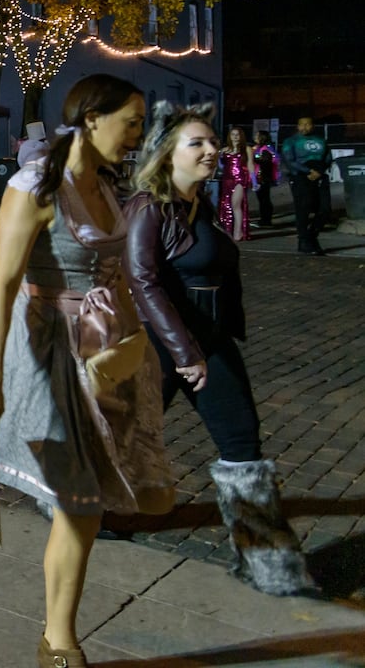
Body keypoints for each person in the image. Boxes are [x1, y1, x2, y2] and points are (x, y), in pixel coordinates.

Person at [0, 74, 173, 668]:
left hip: (104, 353)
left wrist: (136, 344)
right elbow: (2, 288)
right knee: (80, 502)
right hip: (45, 353)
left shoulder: (108, 186)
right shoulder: (34, 187)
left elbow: (121, 274)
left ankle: (58, 637)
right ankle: (60, 644)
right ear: (91, 119)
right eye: (130, 121)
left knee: (86, 501)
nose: (137, 134)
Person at [125, 103, 314, 596]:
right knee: (130, 438)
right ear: (167, 154)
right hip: (162, 344)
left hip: (210, 339)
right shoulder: (147, 206)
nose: (213, 150)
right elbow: (143, 282)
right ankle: (85, 511)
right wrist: (184, 352)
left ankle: (268, 562)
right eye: (198, 143)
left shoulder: (200, 203)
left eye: (213, 142)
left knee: (242, 445)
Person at [280, 117, 330, 255]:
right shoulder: (290, 141)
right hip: (300, 177)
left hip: (319, 175)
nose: (305, 127)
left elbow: (327, 158)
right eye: (302, 124)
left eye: (308, 124)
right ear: (297, 126)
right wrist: (307, 171)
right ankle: (304, 241)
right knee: (303, 209)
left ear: (312, 126)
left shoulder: (321, 140)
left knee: (325, 209)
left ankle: (312, 237)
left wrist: (319, 171)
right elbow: (289, 160)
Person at [216, 125, 254, 241]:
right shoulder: (225, 150)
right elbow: (221, 166)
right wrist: (219, 157)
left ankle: (238, 232)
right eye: (233, 134)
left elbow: (250, 165)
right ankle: (228, 230)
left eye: (237, 135)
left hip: (240, 179)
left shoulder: (246, 149)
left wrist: (254, 181)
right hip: (227, 179)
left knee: (235, 204)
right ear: (230, 136)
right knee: (226, 205)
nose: (235, 137)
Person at [252, 129, 280, 228]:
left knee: (264, 200)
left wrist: (252, 158)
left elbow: (265, 162)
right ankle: (265, 219)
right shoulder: (260, 148)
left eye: (257, 136)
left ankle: (266, 221)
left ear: (262, 138)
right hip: (262, 177)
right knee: (263, 199)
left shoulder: (265, 149)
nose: (255, 137)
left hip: (263, 178)